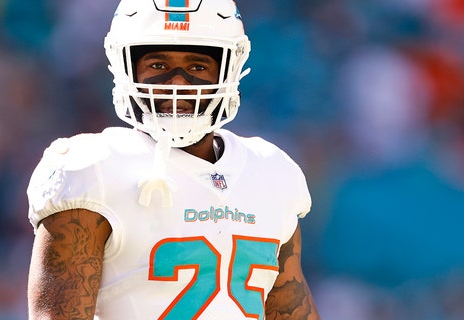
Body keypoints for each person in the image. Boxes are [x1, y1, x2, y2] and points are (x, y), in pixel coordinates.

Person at [26, 0, 320, 319]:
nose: (178, 83)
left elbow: (289, 307)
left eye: (197, 67)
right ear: (126, 67)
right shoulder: (92, 169)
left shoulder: (271, 170)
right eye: (157, 66)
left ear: (228, 69)